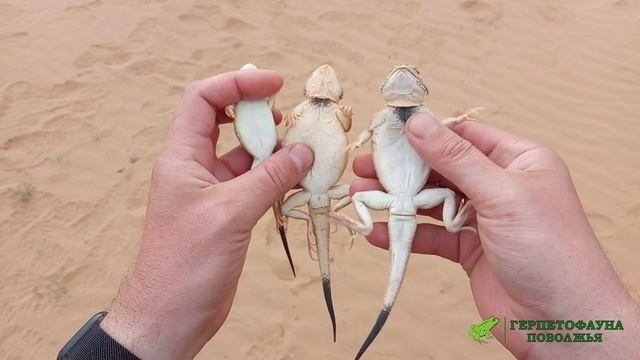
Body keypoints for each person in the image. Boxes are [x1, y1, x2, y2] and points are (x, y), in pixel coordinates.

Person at [64, 69, 640, 359]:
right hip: (416, 203)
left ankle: (356, 229)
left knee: (363, 209)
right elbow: (361, 130)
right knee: (365, 207)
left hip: (395, 204)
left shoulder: (411, 122)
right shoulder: (406, 123)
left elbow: (372, 132)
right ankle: (369, 227)